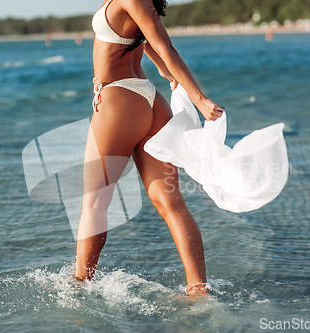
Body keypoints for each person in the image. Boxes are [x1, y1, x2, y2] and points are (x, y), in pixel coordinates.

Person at [74, 0, 224, 296]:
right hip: (151, 102)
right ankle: (198, 290)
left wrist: (199, 99)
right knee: (172, 204)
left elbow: (167, 46)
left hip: (119, 100)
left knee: (94, 203)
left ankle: (80, 286)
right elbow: (148, 37)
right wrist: (159, 66)